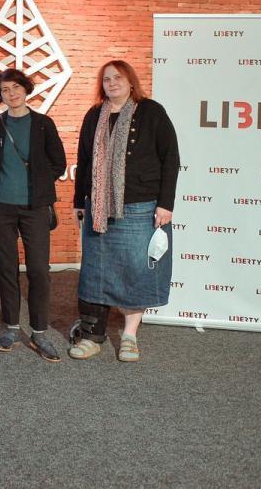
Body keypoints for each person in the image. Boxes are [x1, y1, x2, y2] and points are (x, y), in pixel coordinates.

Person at [70, 60, 180, 362]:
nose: (112, 83)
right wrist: (79, 200)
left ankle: (130, 336)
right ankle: (93, 336)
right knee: (97, 270)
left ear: (131, 81)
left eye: (118, 77)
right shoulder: (94, 115)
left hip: (141, 206)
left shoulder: (151, 112)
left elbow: (170, 158)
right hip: (98, 206)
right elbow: (84, 159)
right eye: (106, 79)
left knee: (135, 270)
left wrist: (165, 203)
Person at [0, 68, 66, 362]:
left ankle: (39, 332)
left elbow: (58, 163)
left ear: (26, 89)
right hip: (0, 208)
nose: (11, 93)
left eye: (16, 87)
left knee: (39, 269)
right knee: (7, 268)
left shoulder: (43, 124)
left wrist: (38, 183)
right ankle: (12, 328)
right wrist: (1, 181)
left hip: (35, 208)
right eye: (5, 90)